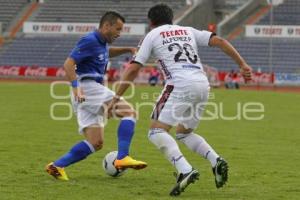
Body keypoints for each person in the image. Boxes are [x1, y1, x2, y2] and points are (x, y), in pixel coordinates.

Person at [108, 4, 252, 196]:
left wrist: (116, 96)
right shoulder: (187, 30)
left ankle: (184, 169)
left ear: (151, 22)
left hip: (179, 84)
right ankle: (215, 161)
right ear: (172, 19)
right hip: (202, 84)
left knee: (156, 131)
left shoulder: (152, 35)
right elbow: (220, 41)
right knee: (184, 133)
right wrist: (242, 64)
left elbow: (134, 68)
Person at [46, 11, 147, 181]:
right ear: (106, 25)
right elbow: (68, 63)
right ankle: (122, 157)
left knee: (96, 143)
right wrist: (76, 87)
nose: (119, 33)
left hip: (87, 92)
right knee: (130, 113)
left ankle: (56, 166)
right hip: (88, 87)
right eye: (118, 29)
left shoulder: (100, 43)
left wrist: (127, 49)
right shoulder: (90, 40)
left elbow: (107, 52)